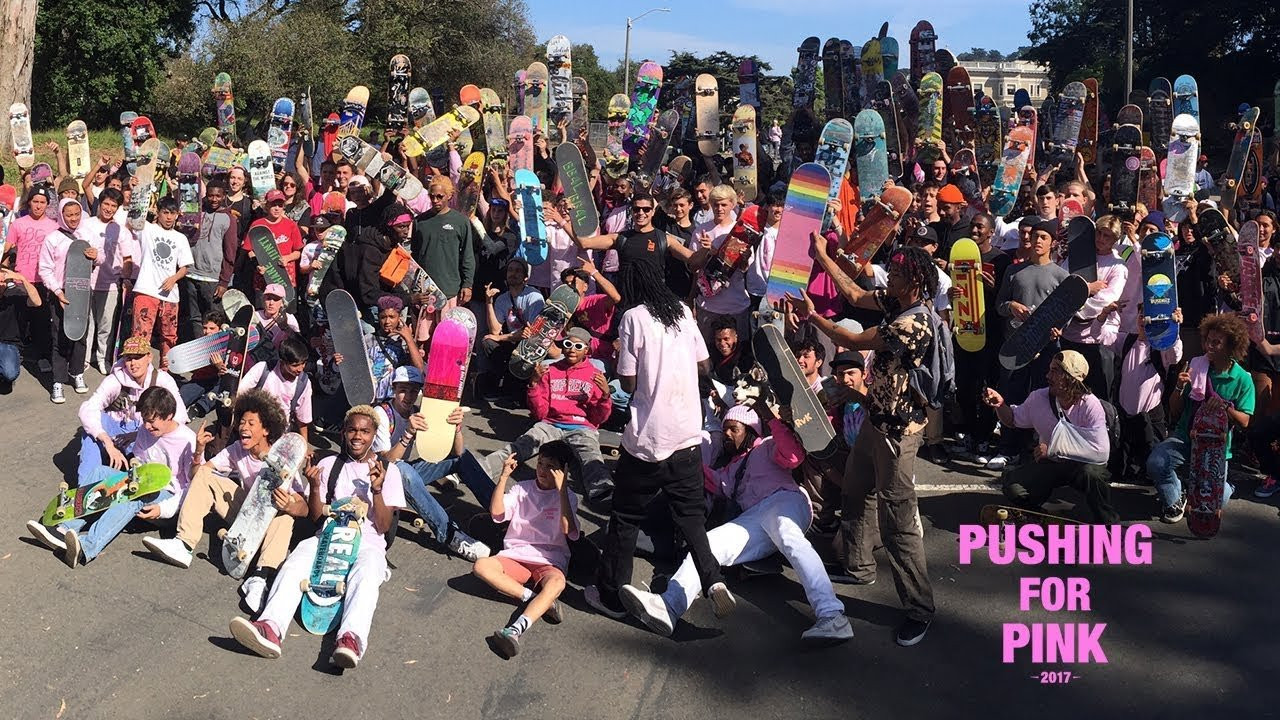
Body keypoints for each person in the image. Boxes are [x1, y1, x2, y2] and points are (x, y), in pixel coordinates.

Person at [794, 245, 938, 647]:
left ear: (914, 280)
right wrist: (822, 256)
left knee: (898, 522)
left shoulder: (913, 323)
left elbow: (850, 337)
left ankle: (919, 609)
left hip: (898, 433)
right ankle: (859, 567)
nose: (890, 278)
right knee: (855, 491)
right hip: (876, 420)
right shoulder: (897, 301)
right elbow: (856, 295)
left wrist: (813, 317)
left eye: (897, 274)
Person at [620, 404, 854, 644]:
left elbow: (793, 456)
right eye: (725, 430)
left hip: (785, 500)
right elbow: (712, 480)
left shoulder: (768, 445)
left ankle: (832, 615)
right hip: (754, 517)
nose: (727, 435)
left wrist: (769, 417)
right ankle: (670, 605)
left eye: (734, 429)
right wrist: (680, 459)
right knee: (706, 546)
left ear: (751, 430)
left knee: (787, 534)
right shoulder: (731, 469)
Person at [585, 260, 730, 620]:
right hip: (687, 433)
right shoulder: (682, 311)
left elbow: (629, 381)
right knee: (691, 517)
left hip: (649, 439)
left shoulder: (633, 318)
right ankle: (713, 579)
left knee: (625, 516)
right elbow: (705, 365)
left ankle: (612, 597)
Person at [228, 405, 405, 670]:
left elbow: (383, 525)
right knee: (296, 561)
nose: (358, 436)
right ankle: (270, 627)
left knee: (367, 575)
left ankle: (351, 639)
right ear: (343, 432)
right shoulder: (329, 465)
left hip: (367, 542)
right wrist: (314, 486)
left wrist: (377, 490)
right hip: (328, 537)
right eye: (352, 430)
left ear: (374, 435)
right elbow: (315, 517)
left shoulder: (388, 471)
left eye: (365, 431)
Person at [142, 390, 307, 612]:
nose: (244, 427)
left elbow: (303, 508)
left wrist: (290, 505)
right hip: (245, 513)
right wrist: (199, 451)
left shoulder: (284, 459)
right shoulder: (237, 449)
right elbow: (198, 475)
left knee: (285, 518)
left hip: (270, 525)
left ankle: (260, 578)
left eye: (251, 423)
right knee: (205, 474)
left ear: (266, 429)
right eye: (242, 422)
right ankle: (184, 544)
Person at [28, 387, 197, 567]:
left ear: (169, 416)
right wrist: (128, 473)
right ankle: (64, 529)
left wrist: (164, 510)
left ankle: (86, 548)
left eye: (152, 422)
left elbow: (192, 487)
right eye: (145, 420)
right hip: (143, 482)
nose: (147, 426)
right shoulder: (146, 430)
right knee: (100, 473)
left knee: (129, 496)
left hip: (169, 500)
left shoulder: (187, 439)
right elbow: (140, 459)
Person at [481, 326, 614, 505]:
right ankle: (477, 469)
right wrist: (534, 385)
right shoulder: (549, 371)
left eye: (578, 346)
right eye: (568, 344)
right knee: (520, 447)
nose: (572, 350)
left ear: (587, 350)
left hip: (581, 427)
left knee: (591, 455)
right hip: (550, 424)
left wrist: (605, 395)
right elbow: (540, 413)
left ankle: (603, 492)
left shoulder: (595, 376)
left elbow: (599, 418)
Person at [983, 350, 1118, 523]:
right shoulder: (1038, 398)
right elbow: (1012, 419)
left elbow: (1101, 453)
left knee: (1093, 474)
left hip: (1082, 465)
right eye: (1049, 370)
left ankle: (1107, 523)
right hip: (1052, 463)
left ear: (1071, 378)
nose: (1048, 376)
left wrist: (1054, 449)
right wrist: (1000, 405)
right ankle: (1038, 515)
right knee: (1013, 486)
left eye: (1055, 371)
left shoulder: (1090, 405)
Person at [374, 366, 492, 561]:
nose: (408, 396)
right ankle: (450, 535)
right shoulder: (382, 414)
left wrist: (455, 429)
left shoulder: (417, 412)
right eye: (403, 390)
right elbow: (387, 462)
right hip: (379, 478)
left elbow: (457, 452)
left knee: (462, 457)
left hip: (404, 472)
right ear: (393, 389)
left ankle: (500, 510)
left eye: (413, 391)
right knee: (402, 469)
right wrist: (408, 434)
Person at [472, 442, 578, 658]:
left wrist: (562, 491)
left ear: (563, 471)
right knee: (481, 566)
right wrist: (503, 477)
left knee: (557, 583)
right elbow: (496, 512)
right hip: (516, 556)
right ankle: (537, 599)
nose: (542, 470)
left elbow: (568, 530)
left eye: (550, 466)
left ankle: (514, 631)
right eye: (540, 464)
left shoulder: (569, 497)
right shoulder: (522, 489)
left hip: (549, 560)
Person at [1146, 314, 1255, 522]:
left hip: (1216, 447)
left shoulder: (1242, 379)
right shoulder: (1196, 367)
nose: (1209, 346)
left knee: (1217, 500)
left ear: (1231, 345)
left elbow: (1244, 421)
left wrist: (1225, 407)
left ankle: (1225, 486)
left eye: (1216, 342)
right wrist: (1179, 387)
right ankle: (1177, 497)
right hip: (1186, 436)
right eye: (1207, 340)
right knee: (1156, 463)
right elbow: (1175, 411)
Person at [76, 335, 187, 481]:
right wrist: (106, 441)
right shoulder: (116, 379)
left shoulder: (162, 380)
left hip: (145, 431)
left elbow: (180, 415)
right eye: (128, 358)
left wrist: (140, 433)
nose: (133, 363)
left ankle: (140, 480)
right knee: (91, 430)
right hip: (116, 429)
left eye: (138, 357)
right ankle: (86, 485)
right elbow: (87, 409)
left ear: (149, 357)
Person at [78, 187, 135, 375]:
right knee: (87, 324)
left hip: (110, 284)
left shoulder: (121, 231)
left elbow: (127, 258)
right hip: (86, 282)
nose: (109, 209)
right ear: (100, 204)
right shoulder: (86, 224)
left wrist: (126, 278)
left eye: (113, 206)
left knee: (106, 325)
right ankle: (84, 358)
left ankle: (103, 358)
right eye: (106, 204)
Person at [37, 198, 88, 401]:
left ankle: (77, 373)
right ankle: (58, 381)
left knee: (80, 335)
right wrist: (57, 291)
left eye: (77, 214)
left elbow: (99, 260)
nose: (73, 218)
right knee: (59, 335)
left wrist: (96, 256)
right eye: (69, 215)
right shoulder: (53, 238)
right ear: (61, 215)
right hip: (59, 291)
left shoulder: (86, 234)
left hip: (82, 292)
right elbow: (44, 269)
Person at [131, 197, 193, 366]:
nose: (169, 217)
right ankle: (139, 369)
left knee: (169, 336)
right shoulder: (147, 229)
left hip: (170, 295)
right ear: (158, 212)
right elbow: (133, 217)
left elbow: (185, 267)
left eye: (173, 213)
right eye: (165, 213)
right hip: (146, 290)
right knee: (141, 334)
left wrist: (174, 279)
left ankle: (166, 371)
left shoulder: (180, 238)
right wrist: (140, 190)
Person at [180, 178, 238, 343]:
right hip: (191, 272)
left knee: (215, 317)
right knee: (195, 316)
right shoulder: (196, 213)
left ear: (224, 196)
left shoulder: (228, 219)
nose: (214, 199)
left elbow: (230, 252)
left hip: (212, 277)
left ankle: (217, 348)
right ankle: (200, 349)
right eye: (211, 195)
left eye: (218, 196)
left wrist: (224, 281)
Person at [238, 334, 313, 443]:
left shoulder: (303, 383)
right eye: (295, 365)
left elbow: (303, 418)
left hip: (279, 434)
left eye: (303, 363)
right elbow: (240, 393)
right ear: (282, 362)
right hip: (253, 429)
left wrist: (304, 444)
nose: (300, 369)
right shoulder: (263, 369)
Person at [0, 246, 43, 393]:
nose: (1, 284)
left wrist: (23, 279)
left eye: (3, 281)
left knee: (10, 372)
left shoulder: (15, 295)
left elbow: (37, 302)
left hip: (9, 344)